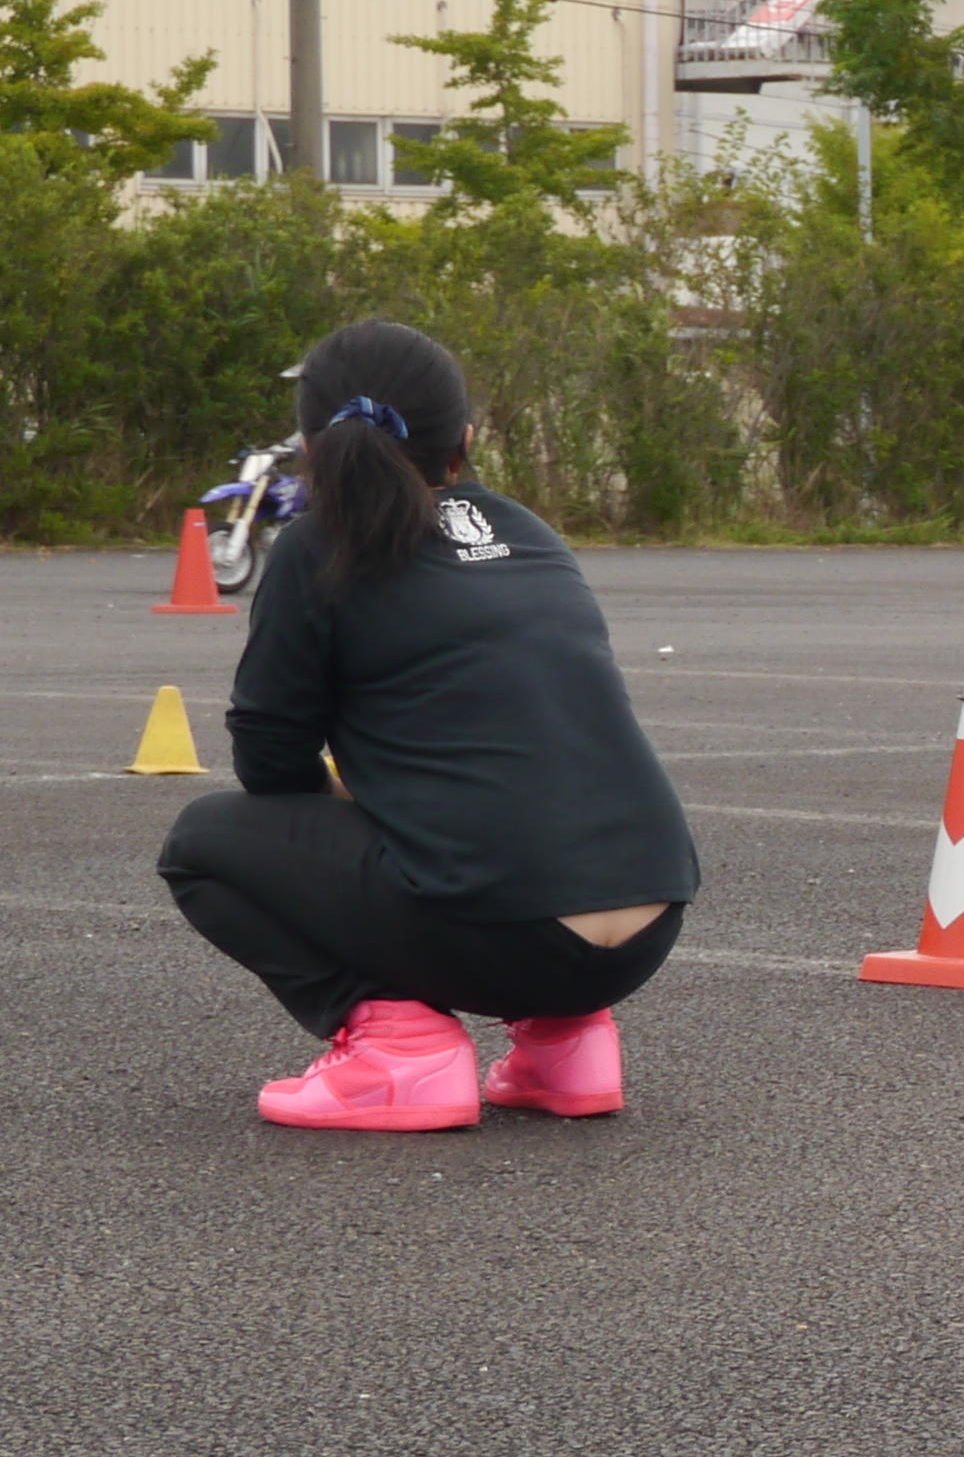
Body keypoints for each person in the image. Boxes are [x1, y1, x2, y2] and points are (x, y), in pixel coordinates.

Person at [155, 321, 698, 1132]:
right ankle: (565, 1046)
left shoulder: (318, 546)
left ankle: (397, 1053)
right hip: (648, 926)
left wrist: (350, 804)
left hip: (507, 934)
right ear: (466, 439)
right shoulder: (529, 530)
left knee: (202, 846)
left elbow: (269, 763)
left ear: (311, 444)